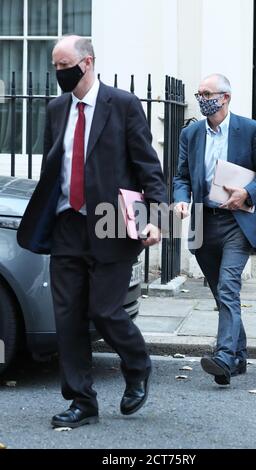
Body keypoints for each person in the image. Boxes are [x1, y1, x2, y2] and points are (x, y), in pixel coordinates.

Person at [17, 36, 167, 427]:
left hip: (112, 222)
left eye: (64, 65)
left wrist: (156, 217)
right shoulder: (55, 110)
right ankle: (82, 402)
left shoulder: (123, 105)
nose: (58, 73)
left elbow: (149, 167)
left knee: (105, 311)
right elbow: (54, 168)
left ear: (87, 63)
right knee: (67, 318)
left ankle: (137, 365)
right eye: (54, 66)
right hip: (67, 225)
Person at [173, 73, 256, 386]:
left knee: (229, 288)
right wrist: (180, 201)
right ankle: (239, 355)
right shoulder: (191, 134)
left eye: (208, 93)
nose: (202, 98)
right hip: (204, 222)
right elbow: (181, 177)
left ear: (225, 97)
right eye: (199, 93)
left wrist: (247, 192)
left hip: (237, 222)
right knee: (221, 293)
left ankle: (224, 357)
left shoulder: (250, 130)